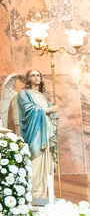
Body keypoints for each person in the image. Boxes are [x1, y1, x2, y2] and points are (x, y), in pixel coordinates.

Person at [17, 70, 56, 198]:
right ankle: (34, 191)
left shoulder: (43, 96)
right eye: (33, 75)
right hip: (34, 133)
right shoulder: (23, 93)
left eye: (38, 75)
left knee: (46, 160)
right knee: (36, 158)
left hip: (46, 132)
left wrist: (54, 114)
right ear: (28, 79)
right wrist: (47, 110)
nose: (36, 77)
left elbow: (49, 112)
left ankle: (44, 193)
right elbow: (27, 109)